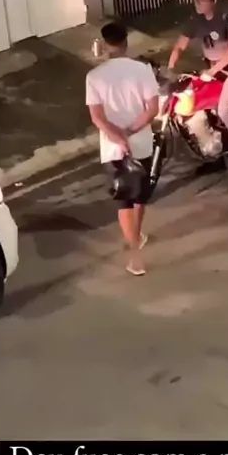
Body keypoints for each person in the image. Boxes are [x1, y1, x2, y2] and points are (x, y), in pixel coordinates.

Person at [86, 22, 159, 277]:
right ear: (126, 42)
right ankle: (137, 238)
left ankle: (135, 256)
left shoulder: (94, 77)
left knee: (124, 201)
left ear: (105, 45)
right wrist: (130, 131)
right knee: (139, 197)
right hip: (141, 143)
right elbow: (152, 109)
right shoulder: (143, 70)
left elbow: (97, 117)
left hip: (113, 148)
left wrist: (117, 136)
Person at [168, 0, 228, 158]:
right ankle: (215, 154)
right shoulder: (196, 21)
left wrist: (212, 71)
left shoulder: (227, 16)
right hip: (215, 73)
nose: (197, 3)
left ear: (213, 1)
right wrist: (170, 69)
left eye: (201, 0)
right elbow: (179, 46)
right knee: (199, 103)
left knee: (224, 110)